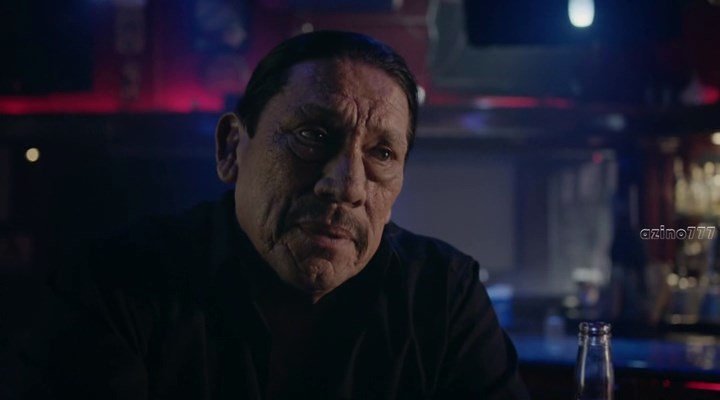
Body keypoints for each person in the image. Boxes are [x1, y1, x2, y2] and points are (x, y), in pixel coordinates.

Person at [44, 31, 528, 399]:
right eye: (312, 136)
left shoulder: (443, 295)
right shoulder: (117, 284)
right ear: (231, 148)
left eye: (382, 153)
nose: (347, 187)